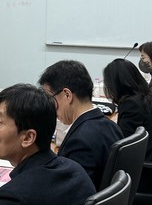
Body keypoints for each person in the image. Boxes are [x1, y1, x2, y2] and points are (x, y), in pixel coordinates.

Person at [39, 60, 123, 190]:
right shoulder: (111, 126)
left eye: (50, 99)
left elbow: (71, 193)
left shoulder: (80, 142)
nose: (50, 106)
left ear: (67, 95)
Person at [103, 58, 152, 191]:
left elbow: (121, 144)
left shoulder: (131, 104)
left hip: (142, 174)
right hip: (151, 164)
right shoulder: (144, 98)